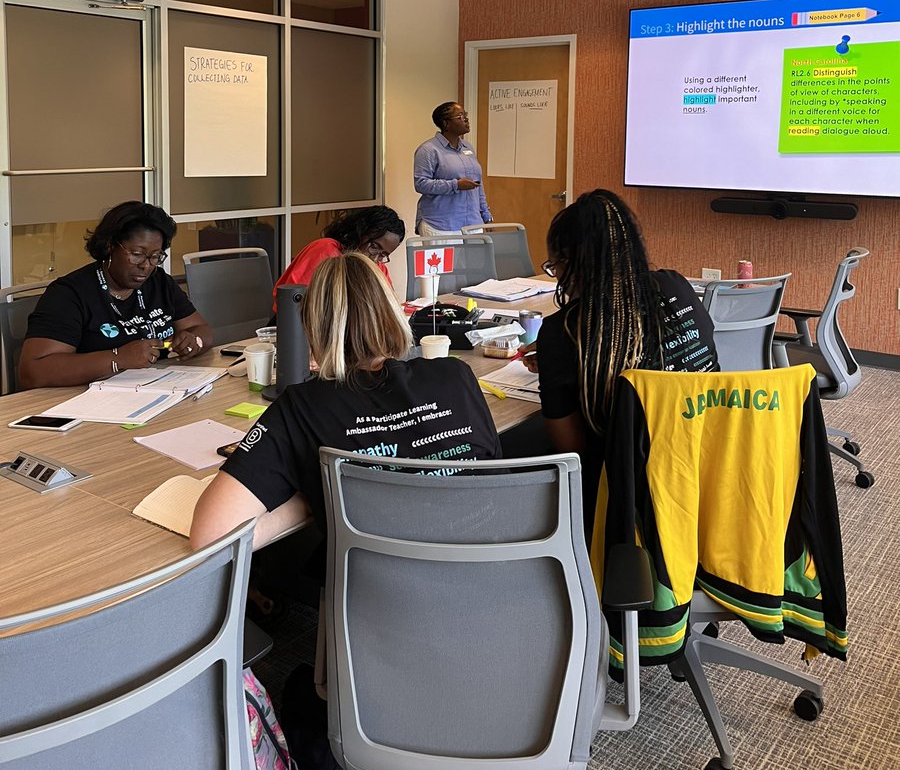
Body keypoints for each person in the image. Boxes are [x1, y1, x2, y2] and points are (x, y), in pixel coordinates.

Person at [192, 251, 501, 550]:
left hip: (382, 597)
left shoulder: (301, 407)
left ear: (312, 329)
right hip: (500, 576)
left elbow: (212, 537)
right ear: (394, 312)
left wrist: (311, 500)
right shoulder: (455, 375)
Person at [521, 189, 718, 523]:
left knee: (520, 442)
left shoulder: (564, 329)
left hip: (626, 494)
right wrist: (563, 366)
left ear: (572, 262)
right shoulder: (676, 286)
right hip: (705, 463)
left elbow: (571, 450)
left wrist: (559, 365)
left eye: (555, 266)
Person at [20, 200, 212, 388]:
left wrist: (194, 341)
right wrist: (117, 359)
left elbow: (202, 329)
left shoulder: (159, 281)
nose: (145, 265)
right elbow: (33, 371)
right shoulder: (68, 294)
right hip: (89, 400)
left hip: (160, 389)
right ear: (110, 245)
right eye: (136, 254)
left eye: (155, 256)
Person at [272, 205, 404, 309]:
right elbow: (293, 303)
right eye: (374, 246)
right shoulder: (326, 251)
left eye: (383, 255)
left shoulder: (378, 268)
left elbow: (390, 307)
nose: (375, 258)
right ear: (361, 232)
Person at [413, 101, 492, 234]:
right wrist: (455, 185)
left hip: (473, 223)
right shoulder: (428, 150)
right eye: (460, 116)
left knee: (475, 256)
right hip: (441, 224)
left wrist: (486, 214)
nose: (466, 119)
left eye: (465, 115)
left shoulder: (468, 148)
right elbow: (421, 184)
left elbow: (479, 185)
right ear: (446, 124)